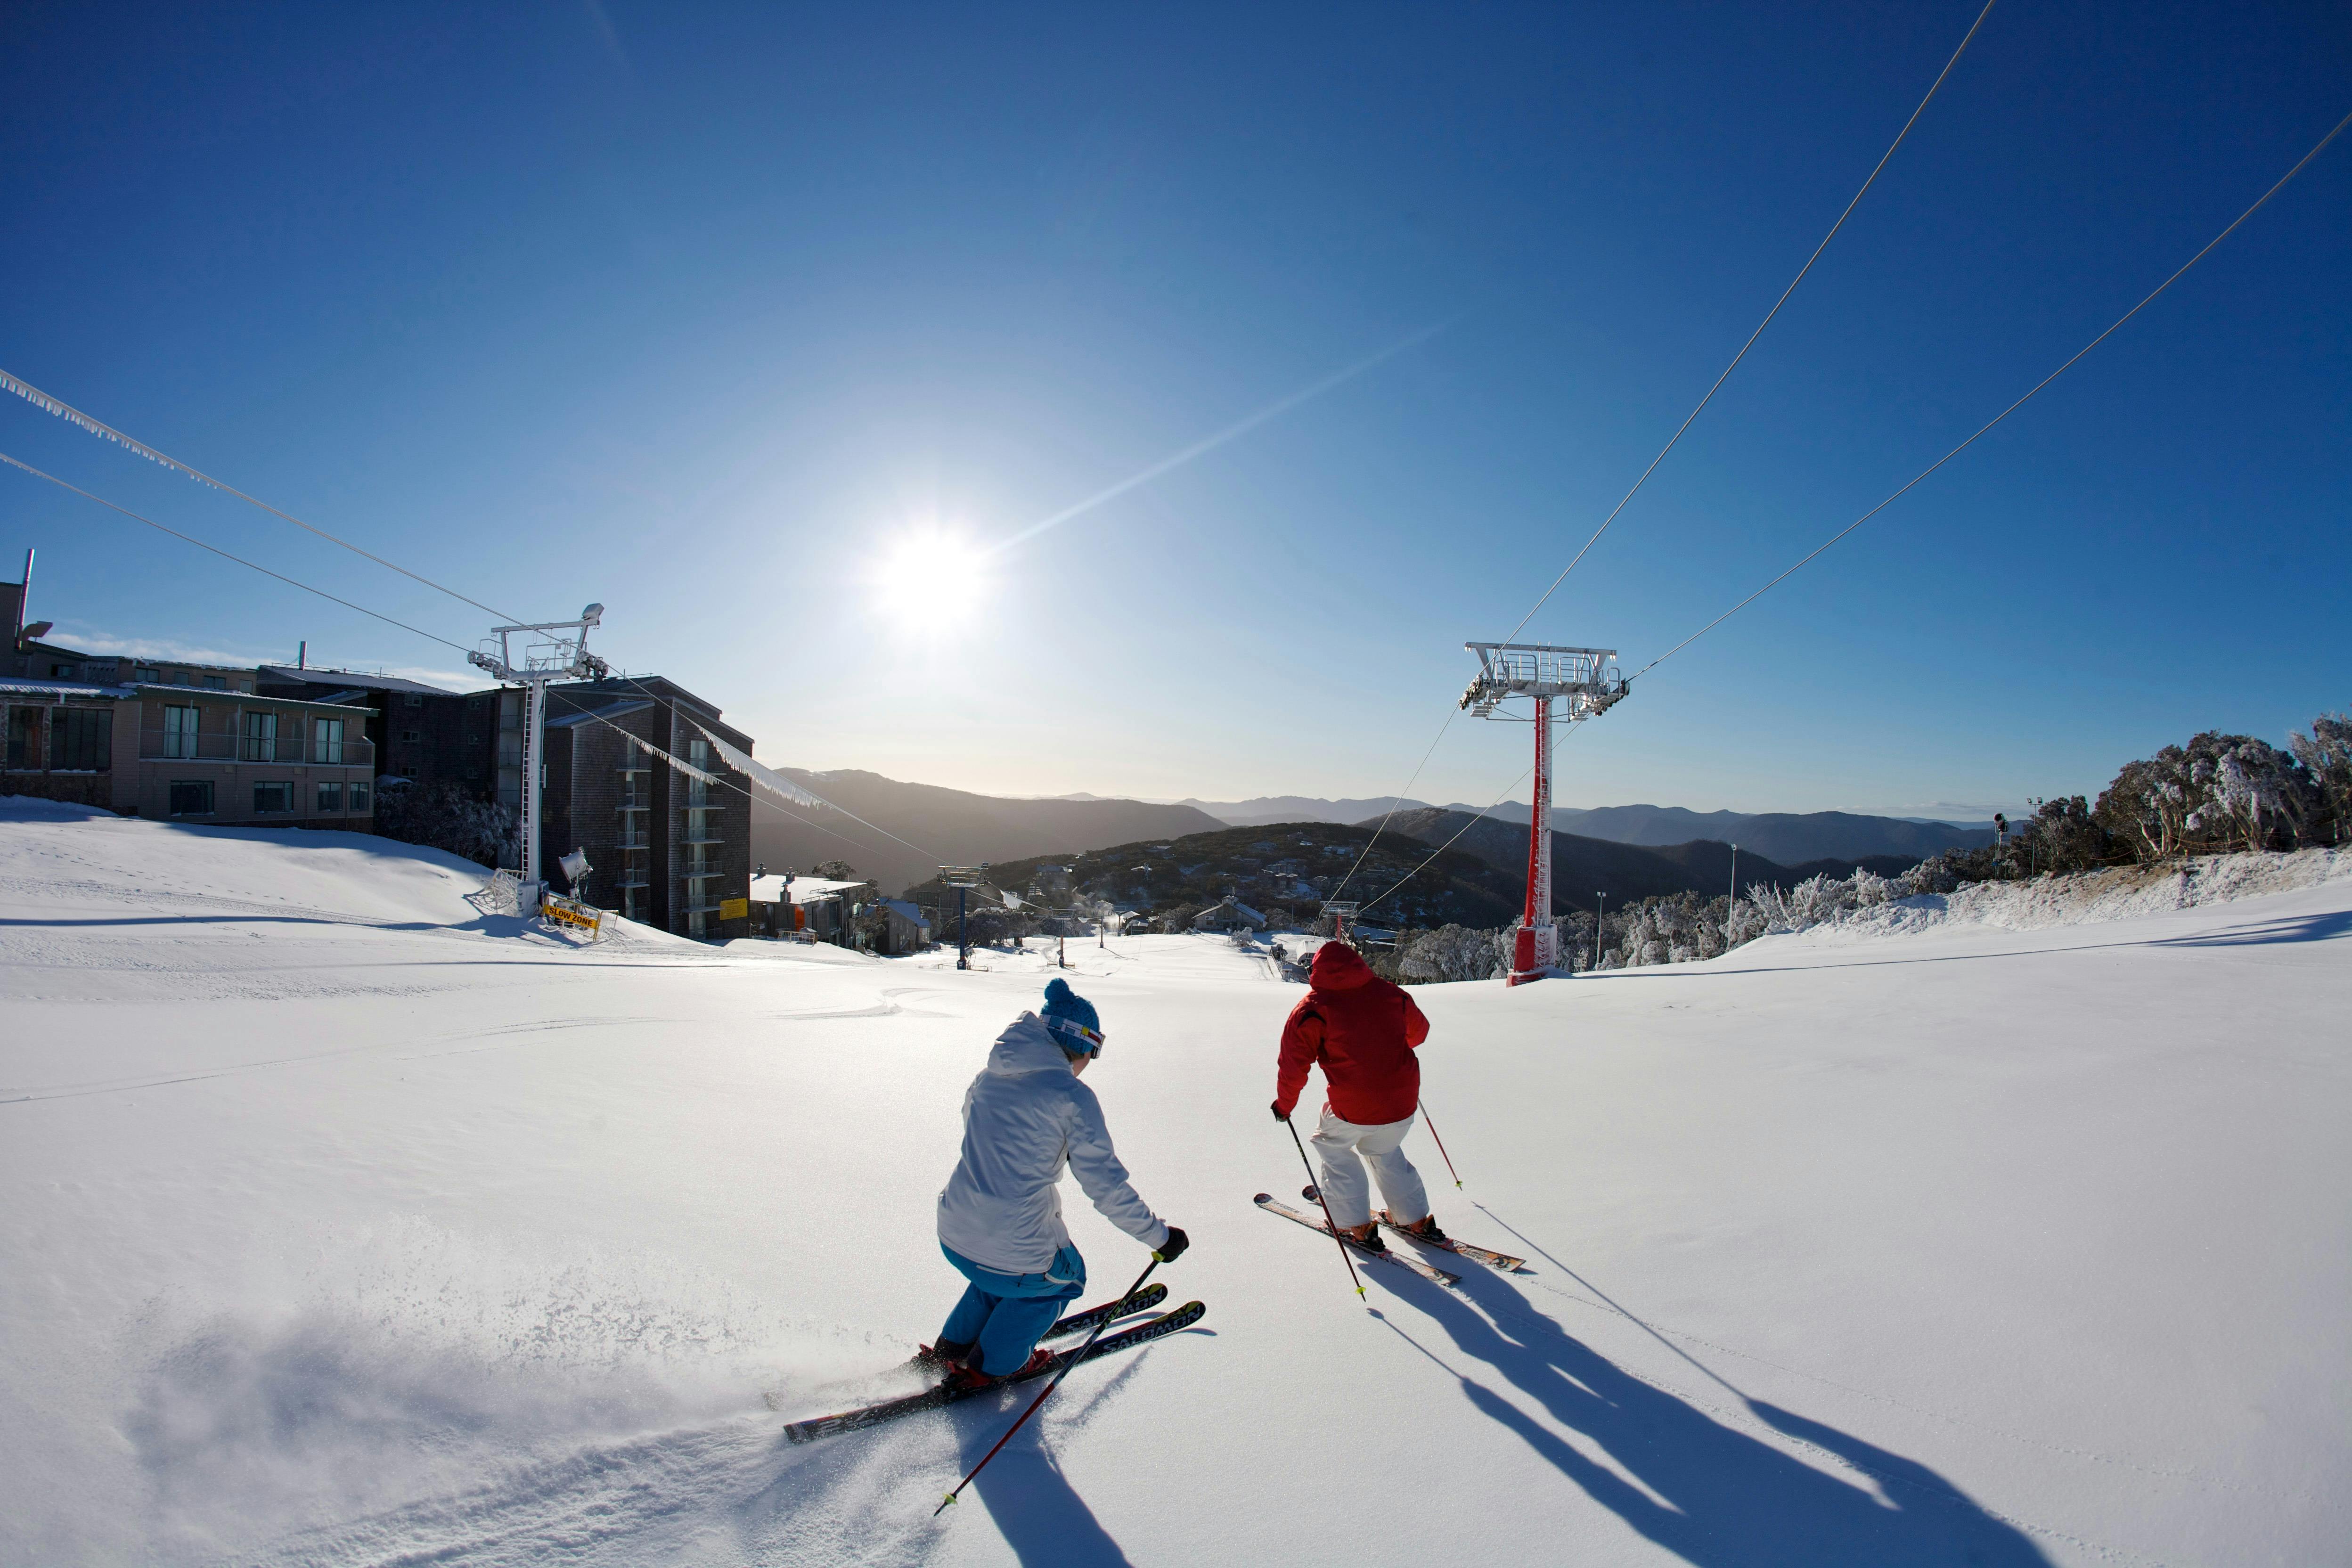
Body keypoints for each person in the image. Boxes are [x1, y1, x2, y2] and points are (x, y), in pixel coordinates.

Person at [929, 977, 1188, 1388]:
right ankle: (994, 1367)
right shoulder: (1071, 1096)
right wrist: (1160, 1237)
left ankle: (951, 1346)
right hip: (1008, 1245)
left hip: (954, 1231)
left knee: (1008, 1268)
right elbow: (1107, 1188)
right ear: (1080, 1046)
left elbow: (978, 1135)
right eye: (1093, 1052)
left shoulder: (988, 1077)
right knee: (1063, 1278)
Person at [1270, 940, 1441, 1252]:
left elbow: (1293, 1066)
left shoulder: (1312, 1010)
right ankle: (1414, 1218)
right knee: (1384, 1149)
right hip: (1402, 1100)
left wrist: (1284, 1106)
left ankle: (1354, 1223)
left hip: (1353, 1104)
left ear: (1316, 970)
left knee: (1332, 1145)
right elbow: (1419, 1034)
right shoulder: (1392, 994)